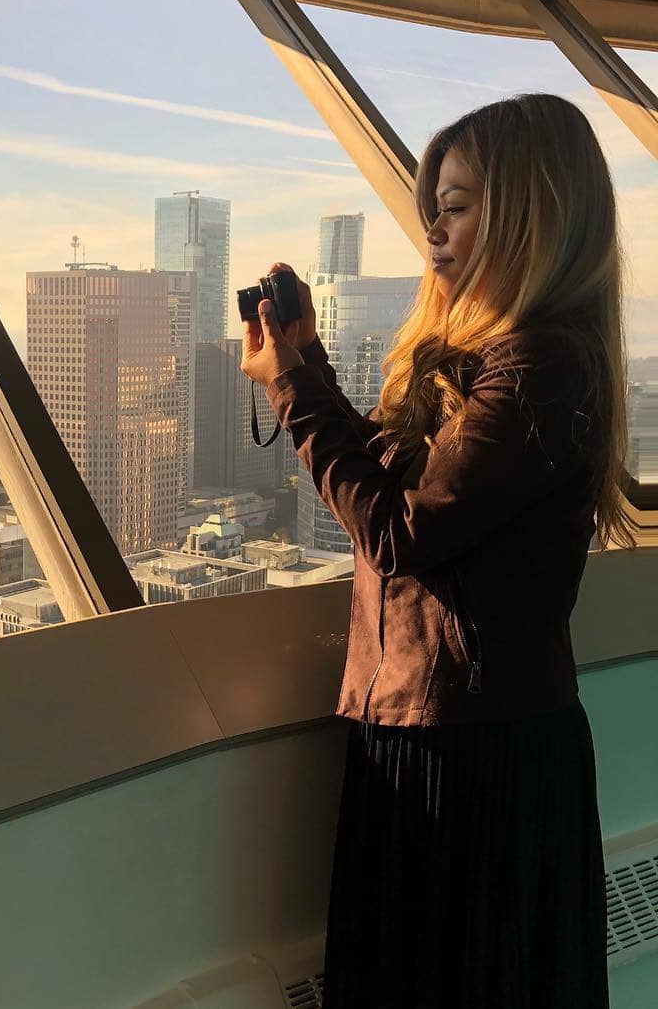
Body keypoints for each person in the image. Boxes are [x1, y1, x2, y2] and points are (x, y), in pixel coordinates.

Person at [241, 93, 633, 1008]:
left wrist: (297, 388)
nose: (436, 236)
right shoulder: (507, 359)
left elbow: (403, 528)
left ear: (526, 211)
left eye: (455, 209)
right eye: (433, 213)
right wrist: (309, 366)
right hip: (433, 732)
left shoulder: (544, 364)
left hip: (473, 755)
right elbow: (410, 484)